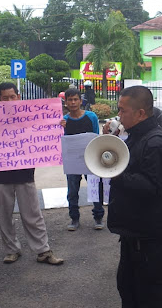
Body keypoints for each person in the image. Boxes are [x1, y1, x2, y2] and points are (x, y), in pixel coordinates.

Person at [108, 86, 162, 307]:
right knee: (128, 286)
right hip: (133, 231)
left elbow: (153, 187)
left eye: (123, 111)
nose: (120, 116)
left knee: (149, 294)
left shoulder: (155, 143)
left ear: (140, 113)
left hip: (148, 236)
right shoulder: (136, 137)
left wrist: (118, 176)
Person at [0, 82, 64, 265]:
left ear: (19, 97)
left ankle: (43, 251)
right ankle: (11, 250)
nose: (9, 101)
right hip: (0, 175)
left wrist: (58, 123)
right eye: (5, 98)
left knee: (32, 214)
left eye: (12, 96)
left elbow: (46, 126)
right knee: (3, 215)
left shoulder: (29, 116)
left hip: (25, 173)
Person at [59, 88, 103, 231]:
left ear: (80, 101)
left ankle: (98, 217)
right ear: (65, 102)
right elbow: (59, 141)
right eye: (69, 100)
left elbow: (96, 137)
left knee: (95, 188)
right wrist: (59, 128)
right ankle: (74, 218)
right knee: (72, 191)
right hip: (72, 162)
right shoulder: (63, 121)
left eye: (75, 99)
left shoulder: (91, 117)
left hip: (90, 160)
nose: (72, 102)